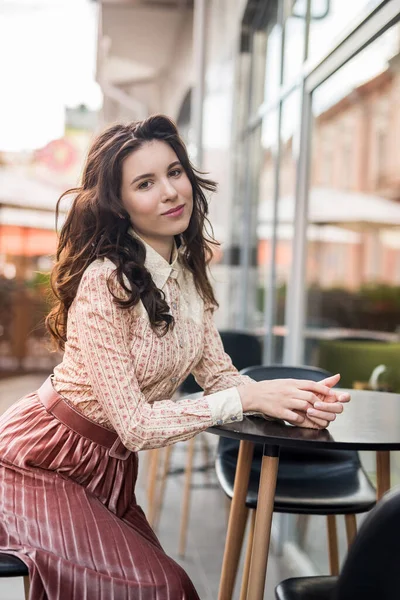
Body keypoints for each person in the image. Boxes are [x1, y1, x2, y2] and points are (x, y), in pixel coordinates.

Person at [0, 115, 350, 599]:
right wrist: (249, 398)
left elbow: (219, 375)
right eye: (145, 183)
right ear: (118, 205)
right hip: (39, 461)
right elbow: (138, 426)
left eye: (174, 172)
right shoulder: (105, 281)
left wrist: (294, 401)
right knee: (164, 587)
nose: (170, 191)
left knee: (163, 586)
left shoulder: (189, 274)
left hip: (110, 469)